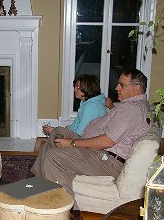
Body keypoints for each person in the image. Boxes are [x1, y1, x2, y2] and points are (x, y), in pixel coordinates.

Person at [31, 69, 150, 217]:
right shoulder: (133, 105)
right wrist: (112, 107)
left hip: (108, 159)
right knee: (58, 132)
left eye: (121, 85)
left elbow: (107, 141)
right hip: (102, 153)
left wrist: (72, 143)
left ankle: (69, 212)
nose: (116, 88)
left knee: (54, 156)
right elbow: (121, 125)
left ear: (136, 88)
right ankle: (38, 180)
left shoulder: (132, 109)